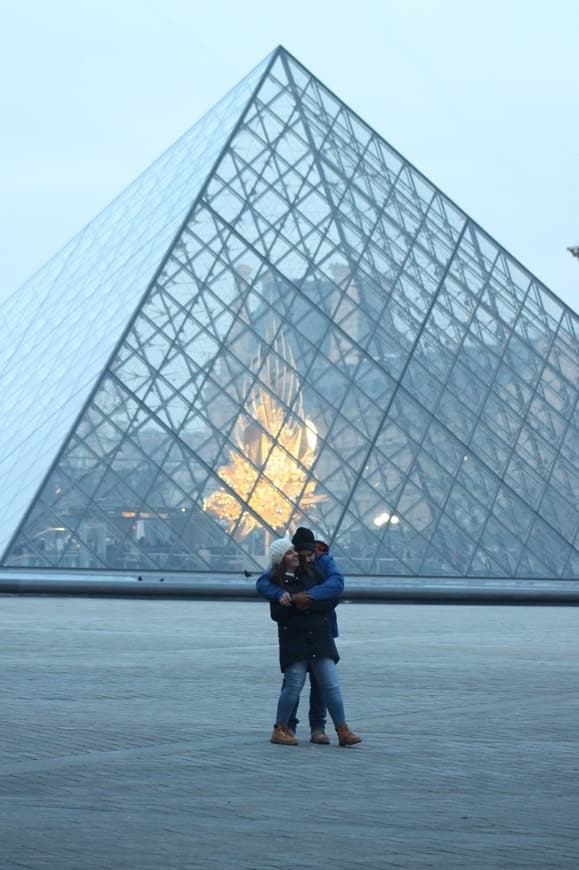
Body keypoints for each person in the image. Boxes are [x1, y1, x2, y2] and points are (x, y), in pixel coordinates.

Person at [264, 537, 362, 747]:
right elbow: (277, 613)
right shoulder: (276, 583)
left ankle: (342, 730)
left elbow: (331, 598)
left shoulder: (313, 573)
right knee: (293, 686)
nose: (296, 555)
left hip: (319, 638)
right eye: (290, 553)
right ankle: (281, 728)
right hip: (295, 641)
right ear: (281, 560)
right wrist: (295, 601)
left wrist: (306, 601)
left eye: (295, 551)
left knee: (331, 686)